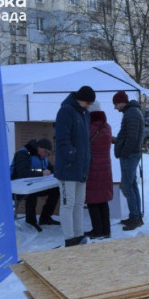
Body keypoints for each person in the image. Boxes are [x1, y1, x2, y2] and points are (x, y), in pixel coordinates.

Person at [55, 86, 95, 247]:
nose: (89, 106)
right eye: (88, 102)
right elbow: (62, 139)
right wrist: (72, 156)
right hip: (68, 168)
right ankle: (69, 238)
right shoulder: (66, 111)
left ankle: (78, 234)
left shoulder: (84, 114)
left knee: (79, 203)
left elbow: (85, 140)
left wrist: (86, 158)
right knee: (68, 203)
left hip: (81, 166)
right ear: (81, 99)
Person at [11, 138, 60, 232]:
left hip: (34, 185)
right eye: (45, 151)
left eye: (48, 153)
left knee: (56, 190)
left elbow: (50, 168)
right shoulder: (23, 154)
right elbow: (22, 174)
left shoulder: (42, 156)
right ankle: (31, 221)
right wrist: (41, 173)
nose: (46, 155)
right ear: (38, 148)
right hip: (17, 187)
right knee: (31, 193)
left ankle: (45, 218)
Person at [113, 91, 145, 231]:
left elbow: (132, 137)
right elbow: (128, 134)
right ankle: (136, 216)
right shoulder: (132, 112)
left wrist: (124, 152)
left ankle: (135, 218)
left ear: (121, 102)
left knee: (127, 186)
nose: (115, 107)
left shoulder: (131, 113)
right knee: (132, 186)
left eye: (115, 104)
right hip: (132, 154)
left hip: (130, 155)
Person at [85, 102, 113, 239]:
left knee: (93, 200)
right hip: (106, 167)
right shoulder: (107, 127)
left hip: (93, 168)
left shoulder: (88, 127)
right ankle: (106, 230)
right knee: (103, 200)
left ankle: (97, 230)